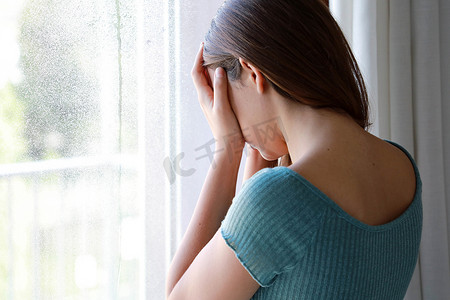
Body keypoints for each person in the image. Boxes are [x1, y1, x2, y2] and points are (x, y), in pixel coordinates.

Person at [165, 0, 422, 299]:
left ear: (251, 71)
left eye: (228, 102)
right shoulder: (403, 168)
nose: (230, 119)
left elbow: (178, 295)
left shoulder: (279, 199)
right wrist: (260, 137)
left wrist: (228, 150)